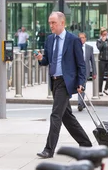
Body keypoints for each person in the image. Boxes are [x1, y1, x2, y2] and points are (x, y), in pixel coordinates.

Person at [34, 12, 92, 159]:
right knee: (66, 116)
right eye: (50, 22)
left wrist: (80, 82)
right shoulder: (49, 39)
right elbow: (47, 60)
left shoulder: (73, 40)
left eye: (53, 22)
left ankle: (49, 149)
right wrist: (41, 58)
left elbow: (81, 64)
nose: (51, 25)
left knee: (55, 115)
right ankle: (85, 143)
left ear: (62, 23)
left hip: (66, 82)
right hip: (54, 81)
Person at [77, 32, 96, 112]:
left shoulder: (89, 48)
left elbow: (92, 61)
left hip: (86, 70)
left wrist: (94, 72)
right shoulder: (75, 47)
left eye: (83, 37)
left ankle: (80, 103)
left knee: (82, 85)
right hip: (77, 70)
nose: (82, 39)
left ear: (85, 38)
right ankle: (81, 103)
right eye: (80, 38)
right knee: (80, 86)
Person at [96, 28, 108, 96]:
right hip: (102, 60)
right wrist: (103, 41)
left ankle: (106, 89)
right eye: (104, 34)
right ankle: (100, 91)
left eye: (106, 34)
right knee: (101, 76)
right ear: (101, 35)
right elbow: (99, 48)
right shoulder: (99, 41)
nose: (105, 36)